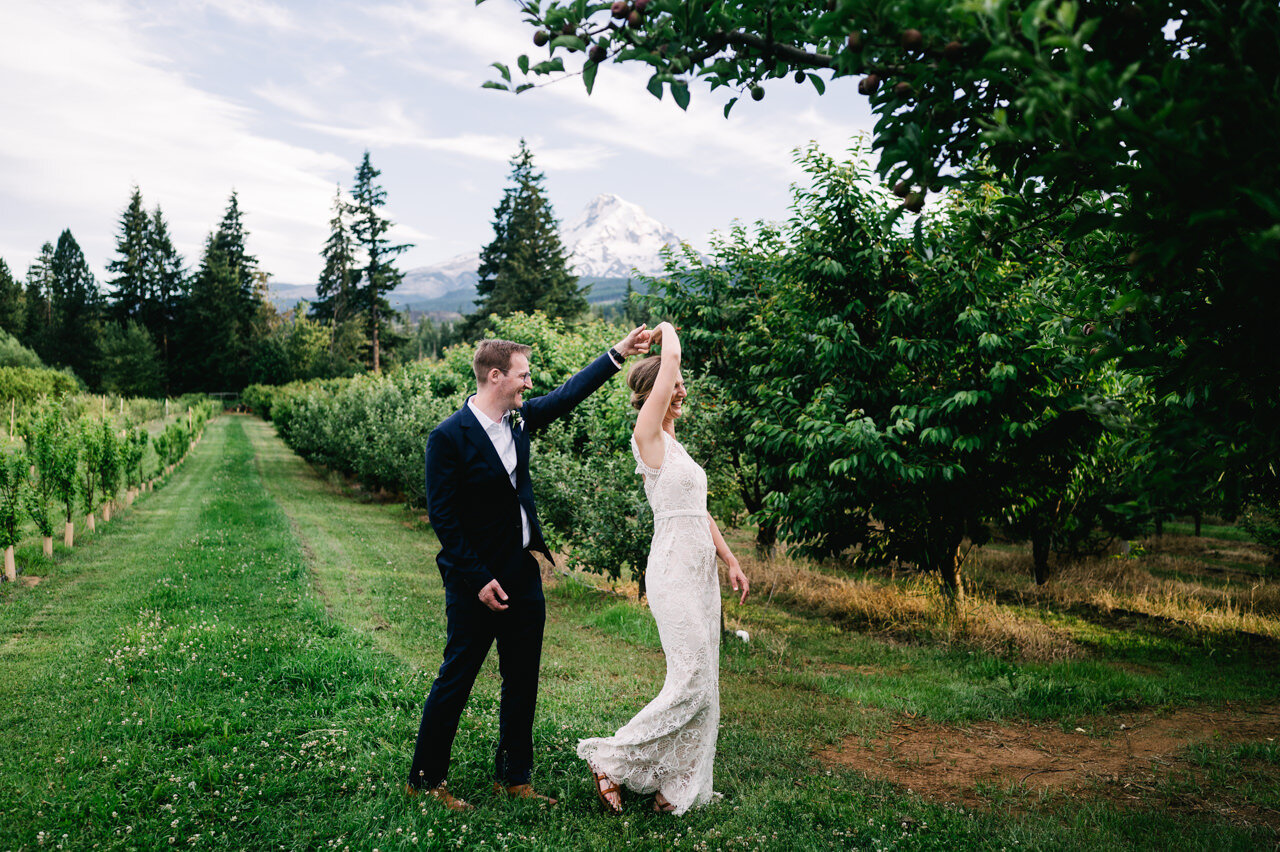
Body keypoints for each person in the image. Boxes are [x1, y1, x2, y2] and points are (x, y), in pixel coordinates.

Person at [408, 327, 651, 810]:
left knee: (522, 679)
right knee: (456, 679)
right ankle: (426, 780)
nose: (528, 383)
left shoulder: (519, 421)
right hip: (474, 581)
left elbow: (566, 397)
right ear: (495, 376)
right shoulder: (448, 437)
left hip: (521, 573)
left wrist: (618, 354)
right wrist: (477, 579)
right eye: (522, 375)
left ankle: (514, 778)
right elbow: (445, 520)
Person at [577, 321, 749, 816]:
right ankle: (611, 758)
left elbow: (699, 511)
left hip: (701, 574)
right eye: (674, 384)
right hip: (672, 569)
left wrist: (731, 560)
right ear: (655, 391)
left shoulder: (678, 448)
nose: (682, 389)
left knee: (706, 681)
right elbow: (670, 358)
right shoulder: (646, 436)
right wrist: (666, 328)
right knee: (691, 675)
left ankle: (677, 788)